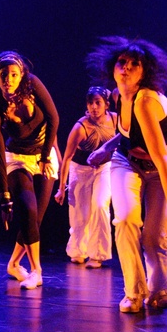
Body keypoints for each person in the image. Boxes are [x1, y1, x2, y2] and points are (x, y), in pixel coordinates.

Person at [87, 37, 167, 313]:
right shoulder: (117, 95)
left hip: (165, 167)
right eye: (122, 62)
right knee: (126, 219)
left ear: (145, 72)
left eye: (135, 64)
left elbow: (161, 158)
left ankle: (160, 290)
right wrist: (106, 148)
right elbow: (129, 133)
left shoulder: (146, 101)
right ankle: (133, 293)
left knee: (154, 235)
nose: (127, 68)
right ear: (113, 67)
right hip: (127, 162)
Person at [0, 51, 60, 290]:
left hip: (44, 155)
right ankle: (37, 271)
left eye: (14, 74)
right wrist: (4, 197)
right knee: (27, 209)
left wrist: (45, 157)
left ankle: (13, 263)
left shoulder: (33, 85)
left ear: (22, 75)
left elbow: (54, 118)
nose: (9, 79)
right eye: (4, 75)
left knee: (36, 218)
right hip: (17, 159)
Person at [54, 86, 116, 269]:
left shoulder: (115, 120)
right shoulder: (80, 127)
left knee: (100, 205)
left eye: (98, 103)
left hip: (104, 168)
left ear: (106, 104)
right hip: (80, 169)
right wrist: (61, 188)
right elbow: (67, 158)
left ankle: (98, 254)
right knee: (80, 212)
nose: (94, 107)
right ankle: (78, 250)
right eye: (90, 103)